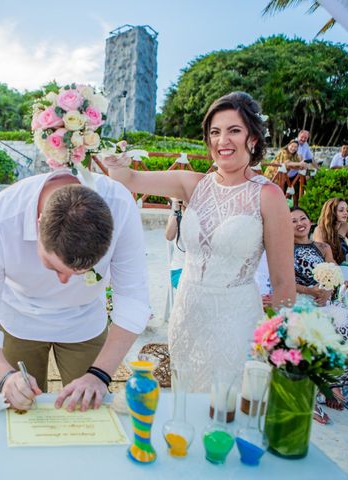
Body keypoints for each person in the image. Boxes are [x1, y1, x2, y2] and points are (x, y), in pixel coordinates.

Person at [105, 91, 296, 391]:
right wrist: (114, 160)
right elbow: (128, 179)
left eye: (234, 131)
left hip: (236, 319)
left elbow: (284, 281)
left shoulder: (268, 196)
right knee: (185, 399)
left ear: (253, 139)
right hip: (187, 314)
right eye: (215, 132)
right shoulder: (190, 184)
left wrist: (282, 348)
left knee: (228, 405)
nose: (223, 141)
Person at [0, 171, 150, 412]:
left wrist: (100, 375)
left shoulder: (120, 206)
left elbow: (134, 301)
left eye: (78, 273)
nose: (64, 282)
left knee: (89, 411)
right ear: (39, 225)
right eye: (53, 267)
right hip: (20, 317)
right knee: (19, 409)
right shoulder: (0, 220)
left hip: (85, 321)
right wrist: (6, 376)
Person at [290, 206, 348, 419]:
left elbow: (334, 272)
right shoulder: (285, 249)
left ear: (310, 221)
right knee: (318, 326)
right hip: (302, 299)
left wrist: (327, 291)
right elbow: (287, 280)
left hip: (325, 298)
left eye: (303, 218)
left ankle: (343, 383)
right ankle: (326, 386)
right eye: (293, 221)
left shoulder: (323, 247)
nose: (299, 223)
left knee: (345, 320)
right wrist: (311, 291)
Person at [165, 199, 186, 289]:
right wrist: (176, 212)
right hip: (179, 269)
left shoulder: (200, 214)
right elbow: (169, 236)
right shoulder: (176, 215)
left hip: (198, 270)